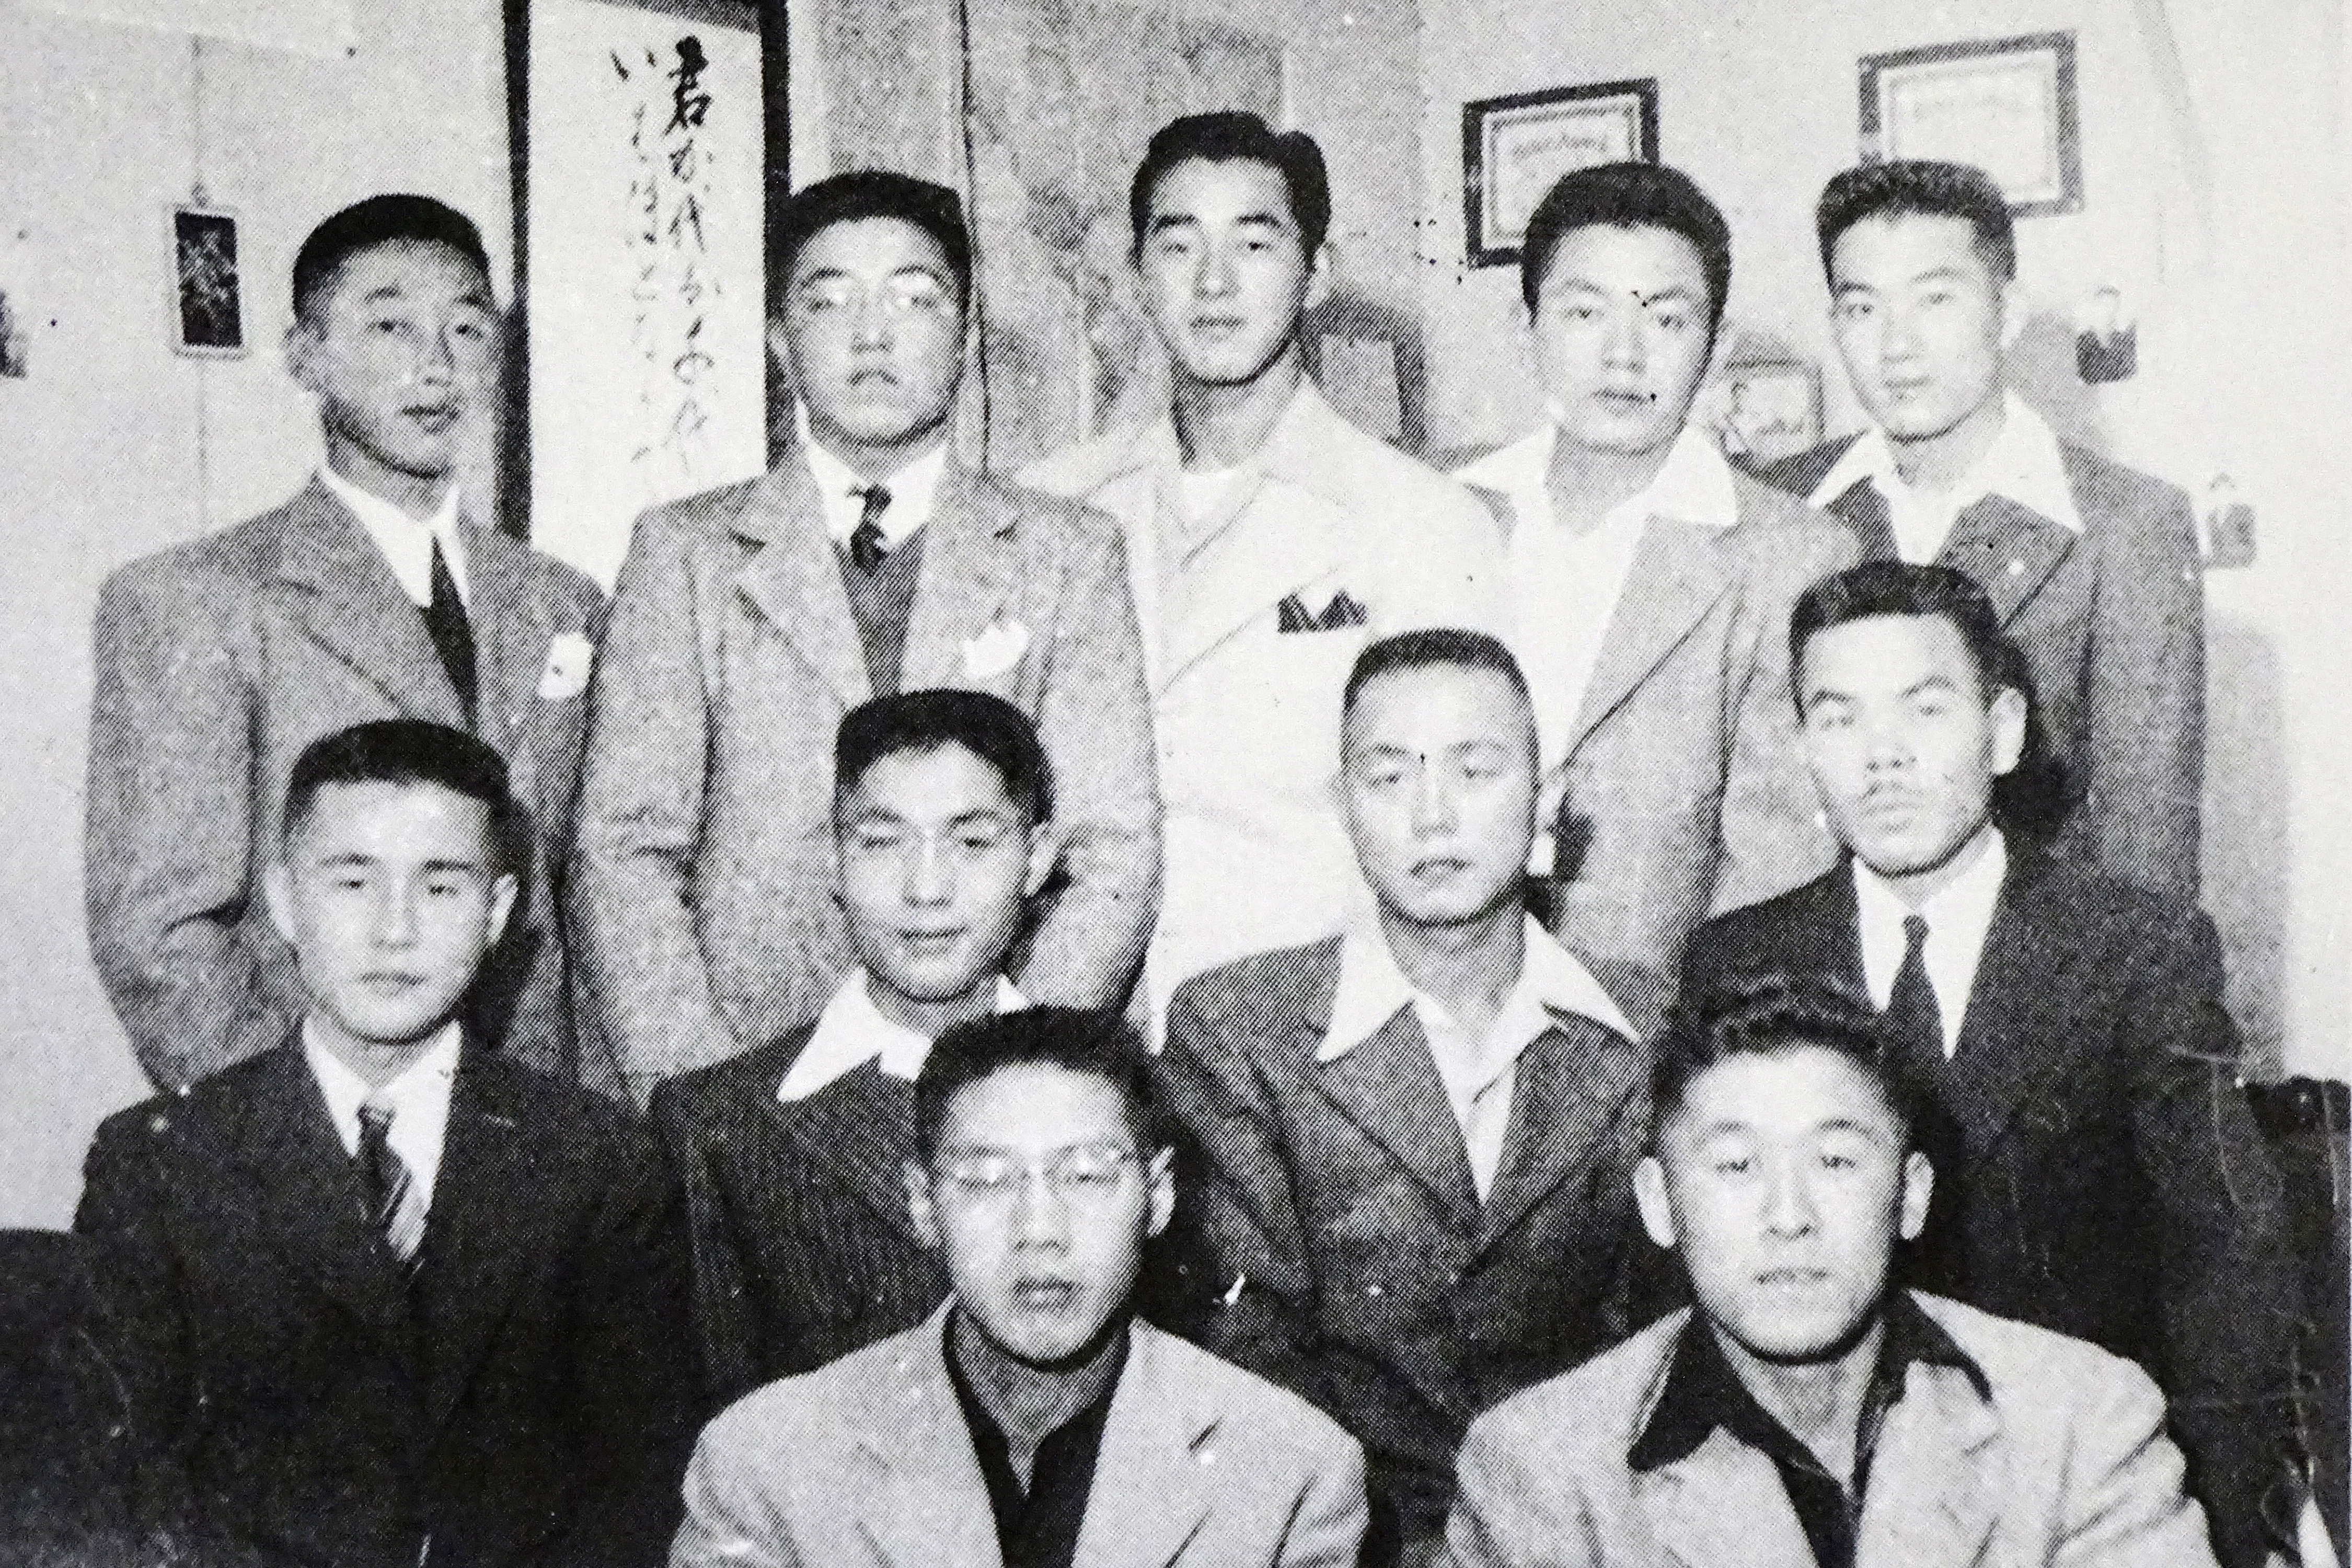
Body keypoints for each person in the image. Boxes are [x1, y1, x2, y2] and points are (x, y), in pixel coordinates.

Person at [1679, 561, 2294, 1567]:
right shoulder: (1741, 961)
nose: (1883, 759)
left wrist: (2209, 1525)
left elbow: (2226, 1264)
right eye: (1838, 719)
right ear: (1801, 750)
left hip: (2073, 1494)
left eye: (1924, 711)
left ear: (2002, 731)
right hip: (1817, 1507)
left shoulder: (2135, 950)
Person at [573, 170, 1159, 1098]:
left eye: (915, 298)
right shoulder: (685, 553)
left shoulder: (1067, 553)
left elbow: (1110, 853)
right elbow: (624, 848)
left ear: (966, 338)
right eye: (832, 297)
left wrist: (1013, 1079)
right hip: (746, 1074)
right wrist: (710, 1105)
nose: (874, 334)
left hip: (994, 1101)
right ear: (779, 341)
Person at [77, 720, 696, 1568]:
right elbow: (131, 1487)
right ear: (287, 902)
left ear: (499, 913)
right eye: (352, 883)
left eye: (441, 888)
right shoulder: (162, 1164)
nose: (395, 930)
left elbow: (637, 1488)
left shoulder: (597, 1162)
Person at [86, 193, 610, 1094]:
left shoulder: (561, 599)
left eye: (466, 328)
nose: (436, 365)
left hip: (534, 1132)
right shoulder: (196, 600)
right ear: (306, 358)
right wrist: (302, 1143)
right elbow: (160, 934)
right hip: (311, 1130)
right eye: (391, 326)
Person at [1158, 630, 1652, 1567]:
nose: (1434, 816)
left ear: (1548, 802)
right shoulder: (1239, 1029)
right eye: (1389, 777)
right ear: (1344, 806)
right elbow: (1250, 1354)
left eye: (1476, 769)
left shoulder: (1643, 1025)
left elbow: (1659, 1343)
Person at [1446, 978, 2224, 1568]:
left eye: (1836, 1160)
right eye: (1736, 1165)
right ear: (1659, 1204)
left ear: (1911, 1196)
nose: (1790, 1216)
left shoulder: (2082, 1423)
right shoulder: (1541, 1472)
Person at [1023, 112, 1502, 1009]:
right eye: (1177, 246)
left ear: (1315, 274)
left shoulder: (1421, 520)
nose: (1213, 283)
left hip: (1310, 1045)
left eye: (1254, 242)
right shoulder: (1052, 508)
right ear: (1135, 274)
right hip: (1079, 1034)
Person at [670, 1007, 1368, 1568]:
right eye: (986, 1181)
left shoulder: (1290, 1470)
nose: (1040, 1230)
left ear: (1157, 1196)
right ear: (922, 1205)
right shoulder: (766, 1464)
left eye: (1087, 1175)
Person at [1451, 163, 1851, 1008]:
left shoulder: (1789, 558)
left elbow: (1777, 883)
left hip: (1657, 1035)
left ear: (1718, 344)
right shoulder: (1440, 517)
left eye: (1666, 319)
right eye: (1584, 312)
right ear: (1526, 326)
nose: (1623, 355)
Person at [1762, 159, 2203, 896]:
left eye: (1935, 300)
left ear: (2008, 312)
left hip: (2031, 990)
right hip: (1808, 993)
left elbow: (2147, 870)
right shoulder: (1780, 507)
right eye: (1863, 309)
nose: (1897, 346)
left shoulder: (2125, 527)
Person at [651, 689, 1058, 1406]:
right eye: (881, 842)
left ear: (1036, 859)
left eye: (971, 843)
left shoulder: (1117, 1095)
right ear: (833, 864)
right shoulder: (717, 1124)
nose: (926, 889)